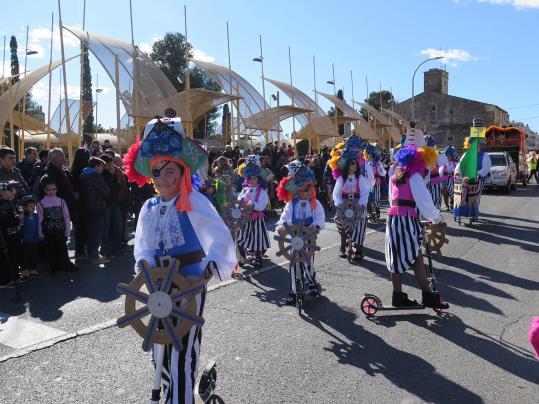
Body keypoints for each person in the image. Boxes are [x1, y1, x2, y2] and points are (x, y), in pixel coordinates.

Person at [124, 114, 235, 403]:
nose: (162, 179)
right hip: (158, 289)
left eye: (170, 171)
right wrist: (146, 269)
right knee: (160, 347)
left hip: (188, 286)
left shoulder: (194, 201)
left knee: (183, 351)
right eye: (157, 172)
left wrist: (206, 275)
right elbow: (144, 246)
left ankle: (180, 398)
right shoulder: (149, 207)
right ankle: (167, 389)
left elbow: (220, 238)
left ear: (183, 171)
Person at [385, 145, 448, 309]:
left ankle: (397, 296)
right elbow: (424, 201)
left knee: (397, 257)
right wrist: (436, 218)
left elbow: (392, 199)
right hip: (406, 219)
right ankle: (427, 296)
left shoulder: (395, 176)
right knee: (417, 256)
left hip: (393, 219)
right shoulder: (414, 177)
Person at [276, 160, 325, 304]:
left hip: (309, 238)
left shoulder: (315, 203)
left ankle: (311, 282)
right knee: (293, 264)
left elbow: (320, 218)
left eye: (311, 188)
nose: (310, 191)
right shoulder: (291, 204)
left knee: (308, 262)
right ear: (298, 190)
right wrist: (280, 227)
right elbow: (284, 218)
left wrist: (315, 227)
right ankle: (294, 291)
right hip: (294, 237)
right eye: (306, 189)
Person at [329, 135, 371, 263]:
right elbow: (336, 193)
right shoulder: (342, 178)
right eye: (352, 164)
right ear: (347, 165)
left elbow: (365, 193)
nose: (355, 166)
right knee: (341, 224)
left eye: (356, 164)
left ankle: (358, 249)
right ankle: (342, 246)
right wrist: (340, 204)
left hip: (357, 204)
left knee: (360, 225)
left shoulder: (361, 179)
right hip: (344, 204)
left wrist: (361, 204)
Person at [236, 155, 271, 268]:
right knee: (240, 237)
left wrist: (252, 205)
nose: (252, 180)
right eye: (250, 178)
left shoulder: (262, 191)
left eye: (254, 178)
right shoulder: (245, 189)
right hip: (245, 218)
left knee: (257, 239)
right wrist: (241, 204)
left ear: (259, 178)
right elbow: (239, 199)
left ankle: (258, 258)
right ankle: (242, 257)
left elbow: (262, 204)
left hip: (256, 219)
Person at [37, 177, 77, 274]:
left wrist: (68, 230)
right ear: (44, 190)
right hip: (48, 229)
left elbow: (67, 217)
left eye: (53, 189)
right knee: (50, 248)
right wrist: (40, 232)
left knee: (62, 247)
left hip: (60, 228)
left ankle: (65, 264)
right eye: (48, 190)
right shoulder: (41, 203)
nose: (51, 192)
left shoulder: (61, 201)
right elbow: (39, 219)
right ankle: (53, 266)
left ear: (57, 189)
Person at [455, 118, 492, 220]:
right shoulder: (467, 154)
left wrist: (477, 173)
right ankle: (461, 211)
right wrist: (457, 173)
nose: (475, 145)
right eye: (473, 142)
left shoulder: (484, 155)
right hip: (465, 178)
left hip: (478, 179)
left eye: (477, 143)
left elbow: (486, 167)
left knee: (475, 196)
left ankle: (473, 213)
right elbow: (460, 165)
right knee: (462, 195)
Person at [79, 157, 110, 264]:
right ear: (96, 166)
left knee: (91, 233)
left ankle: (91, 253)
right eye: (101, 166)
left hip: (87, 208)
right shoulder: (95, 177)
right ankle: (94, 256)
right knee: (96, 233)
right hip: (97, 208)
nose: (103, 168)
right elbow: (106, 191)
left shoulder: (84, 175)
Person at [0, 180, 22, 287]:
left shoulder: (10, 202)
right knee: (6, 258)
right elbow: (5, 222)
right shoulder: (2, 206)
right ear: (2, 192)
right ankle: (6, 280)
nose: (14, 192)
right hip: (6, 237)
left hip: (14, 235)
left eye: (14, 189)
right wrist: (18, 218)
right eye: (10, 190)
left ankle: (15, 276)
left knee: (14, 255)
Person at [20, 195, 41, 279]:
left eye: (34, 206)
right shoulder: (22, 217)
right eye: (30, 206)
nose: (33, 208)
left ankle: (33, 269)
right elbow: (20, 229)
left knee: (34, 255)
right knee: (24, 256)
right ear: (24, 207)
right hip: (25, 241)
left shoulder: (36, 216)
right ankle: (24, 270)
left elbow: (39, 227)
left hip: (35, 239)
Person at [424, 135, 447, 210]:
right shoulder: (421, 155)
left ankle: (436, 215)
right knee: (426, 199)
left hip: (435, 180)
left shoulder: (437, 155)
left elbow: (443, 163)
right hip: (425, 181)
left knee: (436, 198)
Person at [365, 144, 387, 220]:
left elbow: (383, 173)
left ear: (373, 154)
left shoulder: (377, 163)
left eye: (369, 154)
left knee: (376, 197)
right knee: (368, 198)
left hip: (375, 182)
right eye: (367, 154)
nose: (368, 155)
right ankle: (369, 211)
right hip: (367, 183)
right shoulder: (366, 162)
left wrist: (380, 166)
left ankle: (377, 211)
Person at [441, 146, 457, 211]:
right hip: (444, 180)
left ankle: (452, 204)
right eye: (447, 155)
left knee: (452, 192)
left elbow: (457, 171)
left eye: (450, 155)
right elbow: (440, 172)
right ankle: (447, 205)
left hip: (452, 180)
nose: (448, 156)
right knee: (445, 193)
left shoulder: (455, 163)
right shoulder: (443, 163)